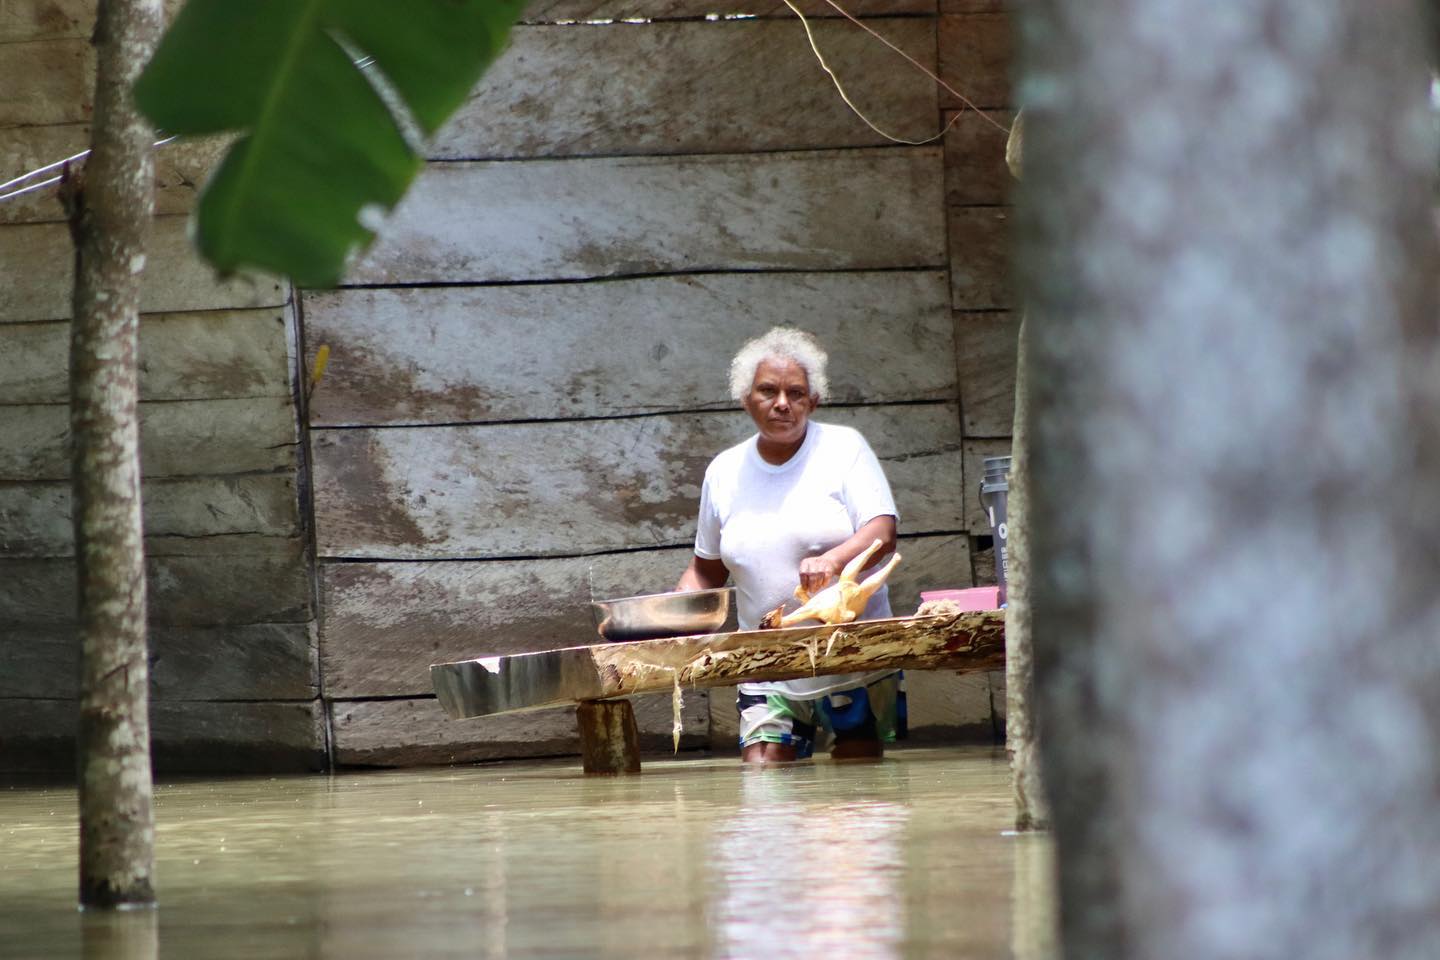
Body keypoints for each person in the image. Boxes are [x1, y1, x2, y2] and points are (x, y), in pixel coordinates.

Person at [676, 327, 906, 763]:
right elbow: (705, 570)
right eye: (768, 390)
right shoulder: (724, 471)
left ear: (813, 401)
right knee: (764, 784)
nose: (782, 403)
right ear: (746, 398)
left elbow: (882, 531)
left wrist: (833, 560)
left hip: (851, 657)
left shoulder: (843, 448)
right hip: (767, 664)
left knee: (858, 797)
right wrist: (675, 611)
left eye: (795, 393)